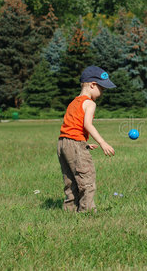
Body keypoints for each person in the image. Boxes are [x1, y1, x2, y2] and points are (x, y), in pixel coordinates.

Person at [57, 66, 116, 212]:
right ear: (92, 85)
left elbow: (72, 127)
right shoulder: (90, 103)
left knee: (70, 180)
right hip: (74, 143)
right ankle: (87, 211)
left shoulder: (74, 102)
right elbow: (87, 125)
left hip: (63, 143)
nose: (102, 92)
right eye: (102, 88)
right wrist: (102, 142)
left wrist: (84, 144)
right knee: (86, 179)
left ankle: (70, 209)